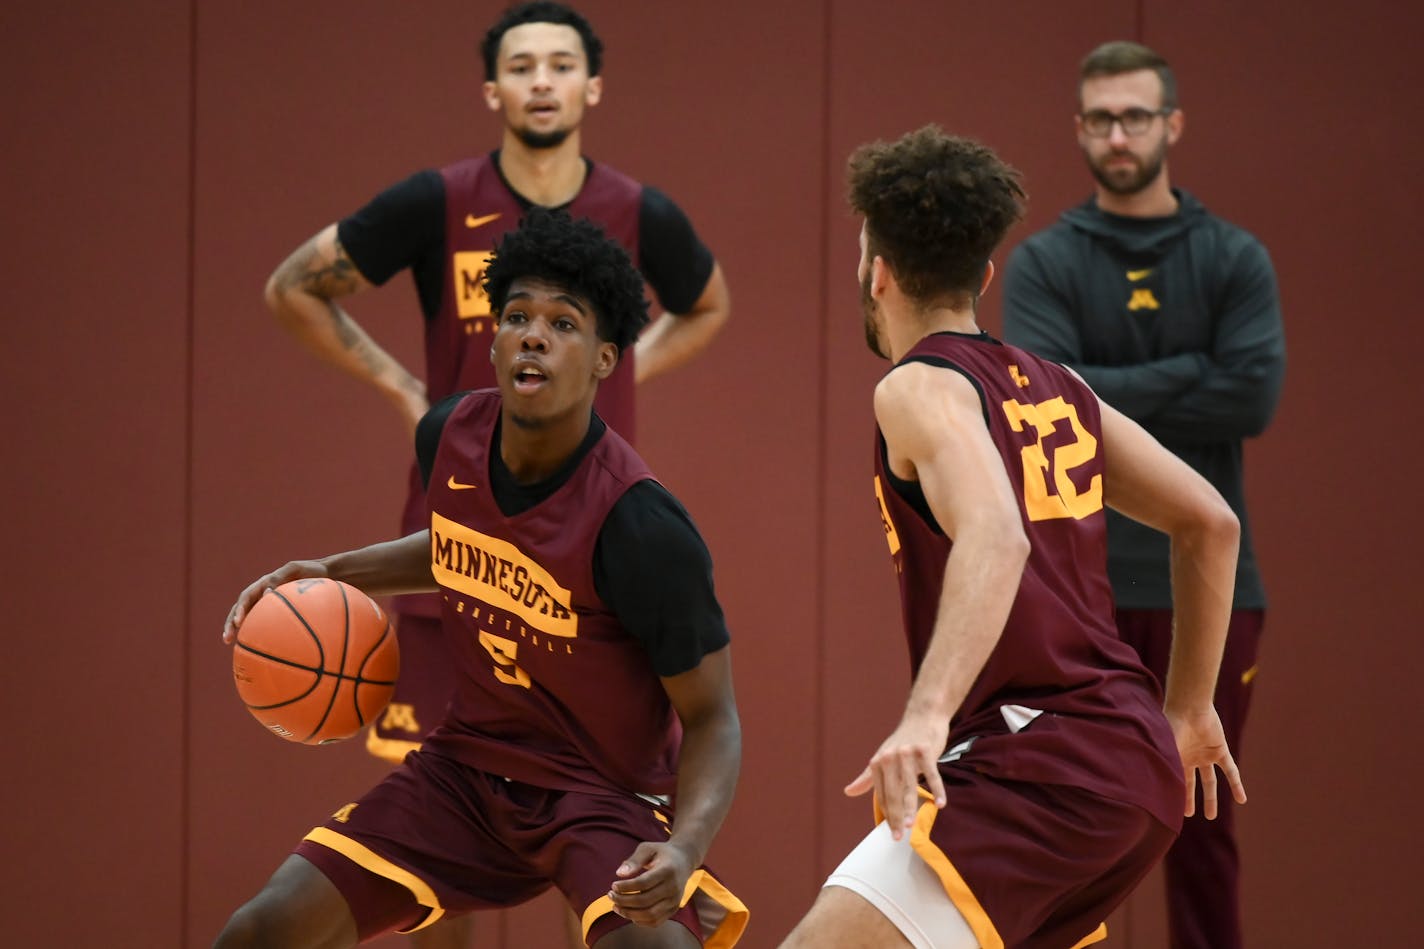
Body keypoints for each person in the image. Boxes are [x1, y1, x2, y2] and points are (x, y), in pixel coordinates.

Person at [262, 4, 730, 945]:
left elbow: (710, 303)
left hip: (591, 679)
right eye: (523, 65)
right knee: (409, 907)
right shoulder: (440, 220)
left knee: (609, 909)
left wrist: (686, 844)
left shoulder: (645, 524)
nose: (543, 81)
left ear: (592, 85)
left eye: (563, 64)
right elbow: (291, 286)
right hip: (466, 638)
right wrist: (395, 405)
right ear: (494, 89)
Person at [777, 125, 1247, 949]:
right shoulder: (1059, 387)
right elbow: (1210, 521)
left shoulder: (917, 386)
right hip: (1129, 761)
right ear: (985, 273)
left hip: (1042, 757)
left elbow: (996, 536)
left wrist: (924, 717)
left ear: (876, 271)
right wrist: (1191, 706)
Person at [1001, 41, 1285, 949]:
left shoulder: (1233, 258)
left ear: (1172, 125)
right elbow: (1038, 393)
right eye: (1099, 119)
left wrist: (1101, 385)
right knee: (1070, 820)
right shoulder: (1045, 262)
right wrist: (1189, 372)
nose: (1116, 135)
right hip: (1082, 588)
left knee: (1201, 822)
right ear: (1079, 129)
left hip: (1211, 590)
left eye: (1134, 117)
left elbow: (1254, 395)